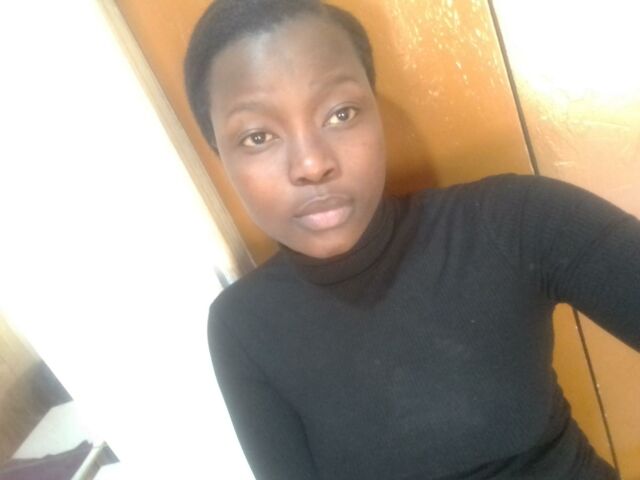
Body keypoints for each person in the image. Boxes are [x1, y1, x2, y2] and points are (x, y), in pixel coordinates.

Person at [183, 1, 640, 478]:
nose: (312, 164)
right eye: (257, 137)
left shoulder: (515, 221)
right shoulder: (243, 327)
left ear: (374, 112)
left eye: (340, 113)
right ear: (220, 153)